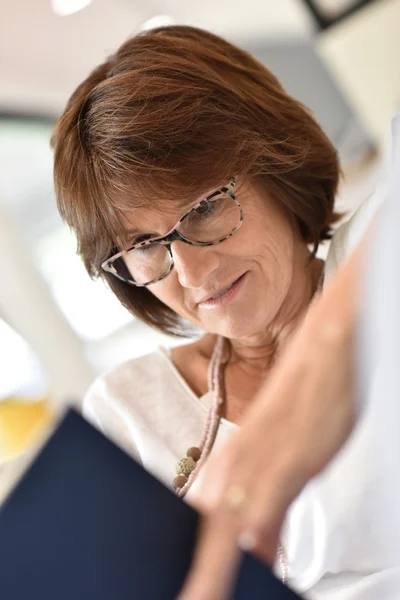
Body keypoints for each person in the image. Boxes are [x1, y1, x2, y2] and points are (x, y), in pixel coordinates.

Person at [51, 26, 398, 598]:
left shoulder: (376, 259)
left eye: (206, 207)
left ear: (277, 167)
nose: (190, 272)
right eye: (142, 246)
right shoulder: (129, 412)